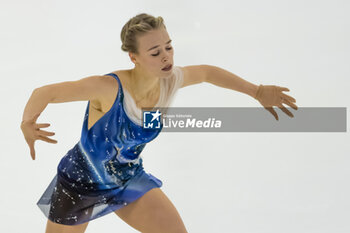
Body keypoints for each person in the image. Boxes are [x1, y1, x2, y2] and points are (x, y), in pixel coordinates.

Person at [20, 13, 298, 233]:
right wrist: (27, 122)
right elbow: (43, 93)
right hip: (81, 181)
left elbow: (207, 72)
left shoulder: (170, 80)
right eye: (155, 52)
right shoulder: (109, 88)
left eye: (169, 46)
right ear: (134, 57)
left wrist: (257, 91)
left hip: (127, 179)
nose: (166, 56)